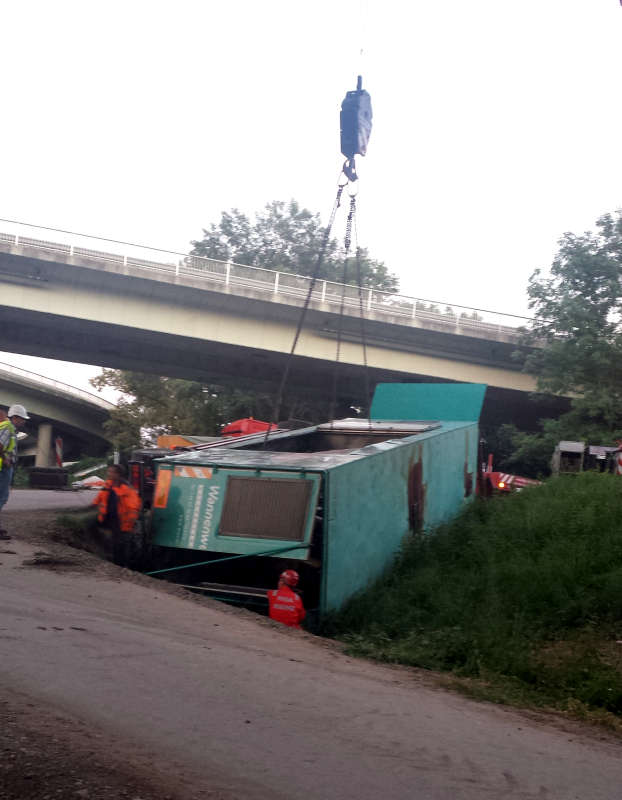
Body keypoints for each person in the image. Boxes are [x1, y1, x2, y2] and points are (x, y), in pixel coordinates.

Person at [93, 464, 142, 566]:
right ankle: (115, 565)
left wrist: (130, 524)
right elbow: (100, 498)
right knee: (114, 545)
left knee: (122, 547)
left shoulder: (127, 489)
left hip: (123, 523)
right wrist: (93, 506)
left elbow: (133, 508)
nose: (108, 474)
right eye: (108, 471)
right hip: (110, 521)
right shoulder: (108, 485)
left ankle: (123, 567)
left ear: (118, 474)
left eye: (111, 472)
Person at [0, 404, 29, 540]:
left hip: (4, 468)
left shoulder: (8, 428)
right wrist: (5, 459)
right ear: (15, 417)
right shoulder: (8, 427)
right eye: (22, 418)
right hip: (3, 468)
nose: (24, 421)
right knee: (1, 498)